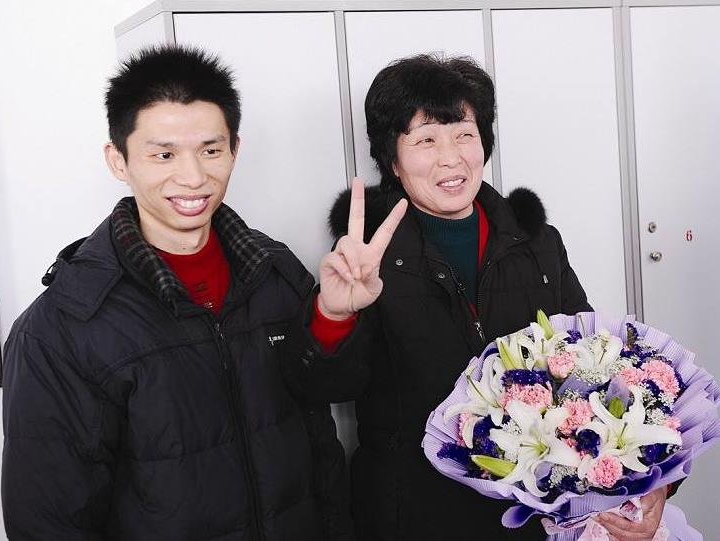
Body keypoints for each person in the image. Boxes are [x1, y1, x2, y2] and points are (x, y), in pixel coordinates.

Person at [283, 54, 669, 540]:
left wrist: (650, 479)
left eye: (464, 134)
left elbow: (597, 368)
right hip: (415, 517)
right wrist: (333, 314)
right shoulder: (366, 259)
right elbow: (320, 389)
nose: (450, 157)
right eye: (425, 140)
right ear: (393, 161)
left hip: (533, 515)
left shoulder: (536, 243)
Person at [1, 45, 378, 540]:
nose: (194, 177)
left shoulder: (274, 270)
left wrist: (332, 316)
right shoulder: (61, 327)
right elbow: (48, 523)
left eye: (210, 150)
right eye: (163, 154)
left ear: (235, 149)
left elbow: (327, 410)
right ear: (118, 160)